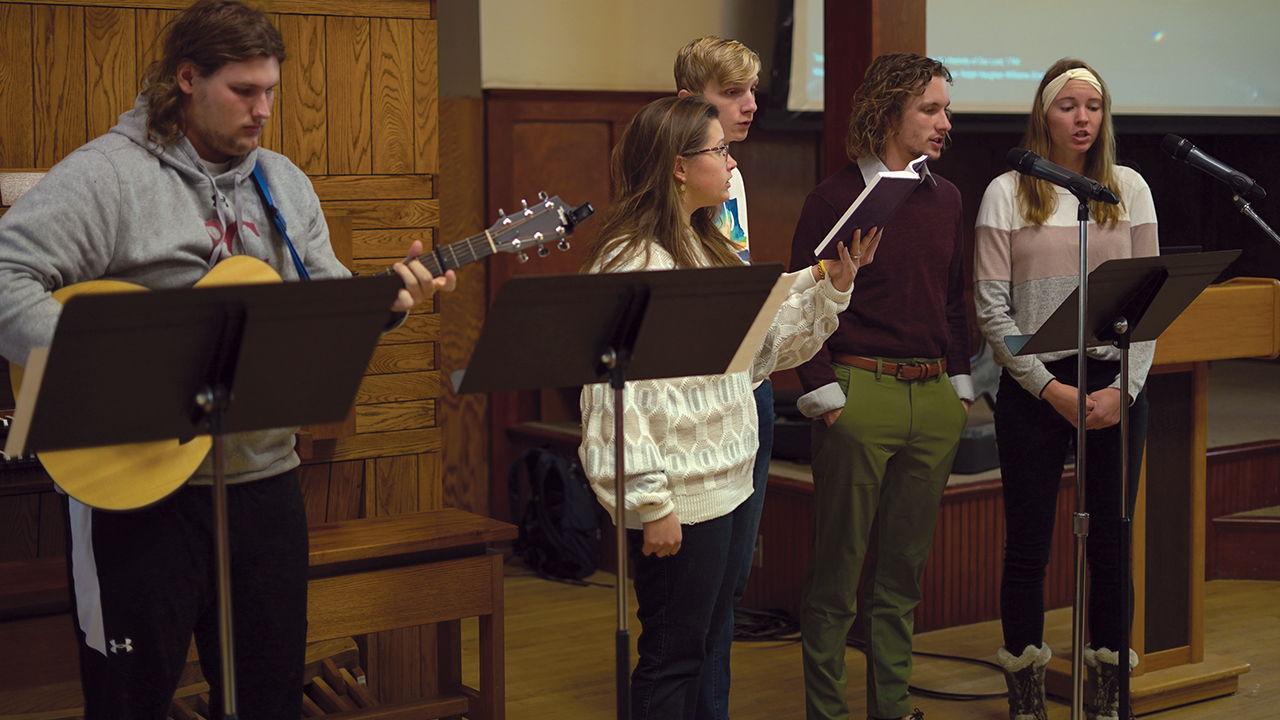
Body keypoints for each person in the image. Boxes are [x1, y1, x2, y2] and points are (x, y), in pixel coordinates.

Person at [0, 1, 453, 718]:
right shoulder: (108, 176)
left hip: (264, 483)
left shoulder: (284, 182)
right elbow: (5, 274)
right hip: (138, 492)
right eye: (244, 91)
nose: (263, 109)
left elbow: (322, 301)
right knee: (130, 702)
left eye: (270, 90)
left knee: (267, 698)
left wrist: (389, 305)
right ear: (186, 78)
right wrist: (101, 362)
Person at [578, 95, 878, 720]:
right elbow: (613, 396)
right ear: (679, 167)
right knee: (672, 655)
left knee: (707, 641)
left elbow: (758, 353)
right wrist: (651, 503)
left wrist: (833, 287)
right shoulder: (633, 258)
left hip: (730, 481)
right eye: (719, 151)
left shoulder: (704, 242)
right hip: (680, 496)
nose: (732, 162)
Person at [788, 52, 973, 720]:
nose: (943, 122)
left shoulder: (946, 198)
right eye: (930, 109)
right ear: (888, 112)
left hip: (932, 399)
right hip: (857, 393)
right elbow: (797, 305)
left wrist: (958, 382)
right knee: (836, 578)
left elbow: (954, 301)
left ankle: (890, 710)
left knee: (901, 578)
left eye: (945, 108)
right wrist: (822, 390)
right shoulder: (833, 199)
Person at [975, 58, 1155, 720]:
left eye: (1094, 105)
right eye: (1068, 106)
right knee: (1028, 546)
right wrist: (1046, 386)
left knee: (1110, 544)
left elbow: (1150, 303)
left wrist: (1123, 390)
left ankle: (1108, 699)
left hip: (1113, 385)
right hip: (1035, 389)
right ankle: (1026, 700)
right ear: (1042, 116)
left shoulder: (1129, 189)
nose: (1083, 118)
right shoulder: (1007, 192)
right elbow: (994, 314)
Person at [673, 35, 767, 720]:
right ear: (686, 104)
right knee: (691, 593)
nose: (751, 104)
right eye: (732, 93)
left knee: (732, 581)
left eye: (751, 90)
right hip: (692, 400)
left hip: (746, 384)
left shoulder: (731, 178)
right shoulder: (669, 180)